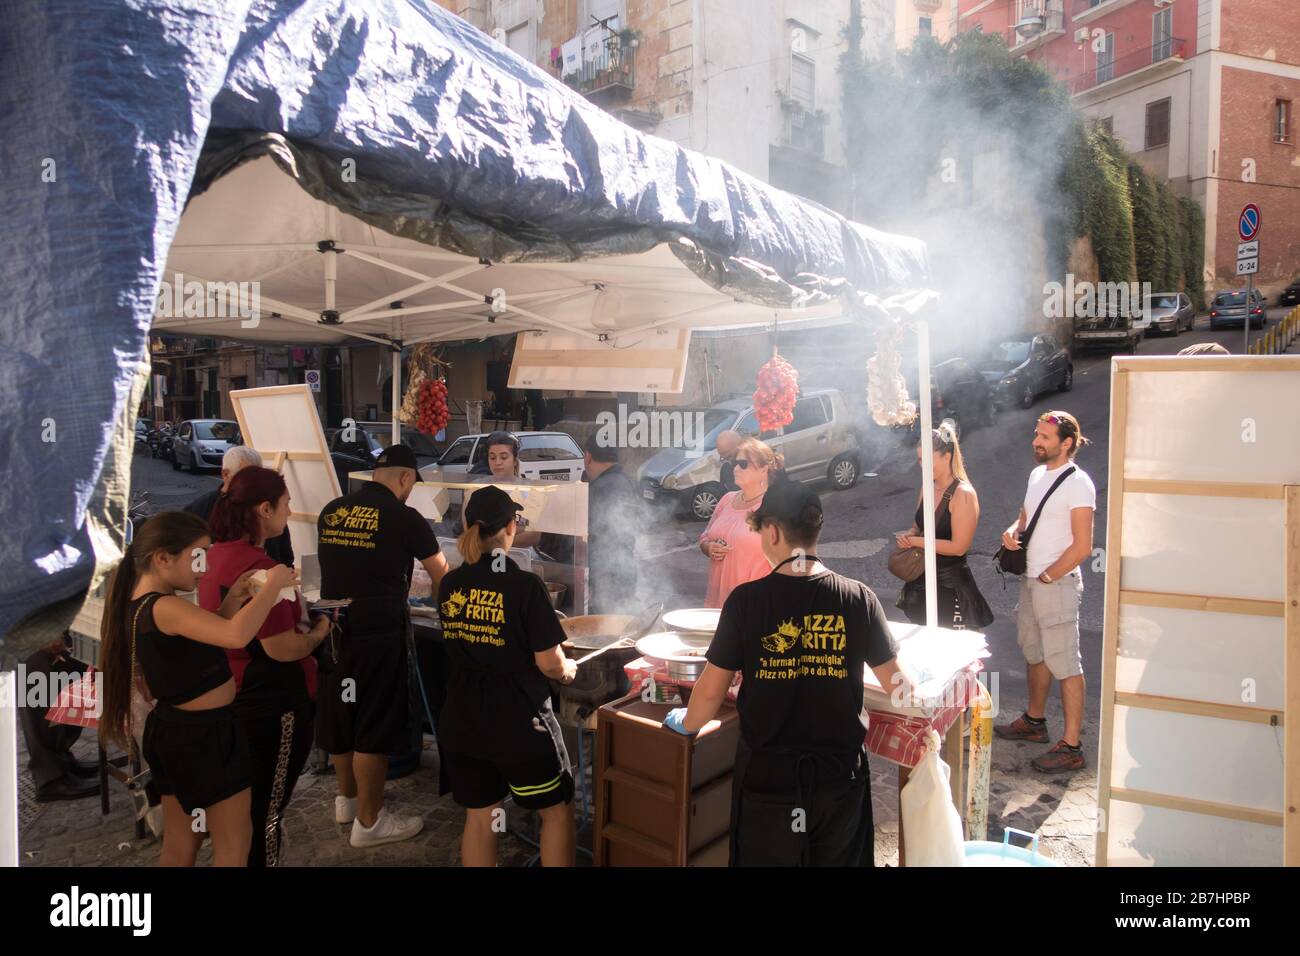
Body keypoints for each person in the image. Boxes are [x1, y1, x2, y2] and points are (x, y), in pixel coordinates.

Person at [664, 479, 912, 866]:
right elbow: (901, 690)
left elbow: (711, 693)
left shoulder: (746, 602)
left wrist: (688, 721)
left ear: (774, 531)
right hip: (838, 782)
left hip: (768, 784)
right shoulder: (859, 598)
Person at [98, 511, 297, 866]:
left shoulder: (146, 604)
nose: (203, 569)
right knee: (234, 843)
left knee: (181, 842)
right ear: (162, 558)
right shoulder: (165, 606)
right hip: (205, 737)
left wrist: (234, 598)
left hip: (179, 732)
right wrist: (273, 586)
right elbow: (235, 636)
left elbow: (210, 634)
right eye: (198, 556)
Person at [437, 485, 578, 866]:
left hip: (463, 715)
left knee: (483, 816)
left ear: (469, 525)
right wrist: (567, 669)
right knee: (556, 810)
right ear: (511, 527)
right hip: (518, 720)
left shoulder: (450, 582)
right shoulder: (524, 585)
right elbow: (550, 662)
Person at [316, 445, 449, 847]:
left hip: (332, 623)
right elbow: (441, 574)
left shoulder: (333, 510)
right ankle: (370, 824)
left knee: (344, 714)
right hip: (378, 629)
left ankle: (348, 801)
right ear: (405, 478)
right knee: (373, 723)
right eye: (411, 485)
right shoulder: (405, 518)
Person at [200, 467, 330, 867]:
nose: (289, 513)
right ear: (263, 508)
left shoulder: (216, 555)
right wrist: (320, 632)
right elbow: (282, 648)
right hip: (271, 705)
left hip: (232, 696)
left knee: (244, 813)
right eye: (286, 504)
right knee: (266, 811)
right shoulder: (259, 571)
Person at [994, 411, 1096, 773]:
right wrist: (1011, 531)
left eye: (1044, 437)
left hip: (1056, 583)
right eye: (1036, 434)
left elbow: (1083, 545)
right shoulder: (1037, 475)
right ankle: (1035, 722)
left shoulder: (1079, 484)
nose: (1036, 441)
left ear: (1066, 443)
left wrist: (1050, 576)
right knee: (1034, 653)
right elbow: (1025, 518)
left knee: (1066, 662)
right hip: (1032, 579)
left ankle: (1071, 746)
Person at [894, 422, 994, 630]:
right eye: (920, 459)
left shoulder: (963, 493)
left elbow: (959, 547)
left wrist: (916, 541)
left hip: (950, 587)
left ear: (946, 457)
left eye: (927, 459)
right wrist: (910, 534)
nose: (922, 465)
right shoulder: (927, 487)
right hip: (921, 583)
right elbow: (917, 524)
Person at [698, 437, 781, 608]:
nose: (736, 468)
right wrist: (708, 547)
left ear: (763, 469)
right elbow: (705, 536)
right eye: (735, 463)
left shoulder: (775, 508)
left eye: (743, 464)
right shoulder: (727, 500)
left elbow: (789, 563)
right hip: (718, 602)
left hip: (753, 605)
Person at [19, 639, 100, 802]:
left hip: (48, 619)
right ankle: (49, 777)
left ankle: (60, 759)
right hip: (27, 626)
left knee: (68, 673)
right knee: (39, 687)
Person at [185, 446, 294, 567]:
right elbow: (193, 565)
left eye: (257, 477)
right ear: (225, 474)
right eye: (244, 477)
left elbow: (286, 559)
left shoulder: (270, 509)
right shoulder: (199, 510)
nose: (252, 483)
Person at [583, 434, 641, 614]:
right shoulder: (624, 480)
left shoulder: (601, 488)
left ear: (588, 456)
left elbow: (587, 536)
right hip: (624, 571)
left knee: (603, 630)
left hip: (606, 577)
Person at [457, 431, 541, 549]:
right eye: (492, 457)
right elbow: (469, 529)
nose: (497, 462)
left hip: (520, 557)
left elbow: (534, 535)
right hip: (481, 557)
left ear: (515, 460)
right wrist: (509, 535)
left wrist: (489, 541)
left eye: (504, 457)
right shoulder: (475, 489)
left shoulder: (530, 491)